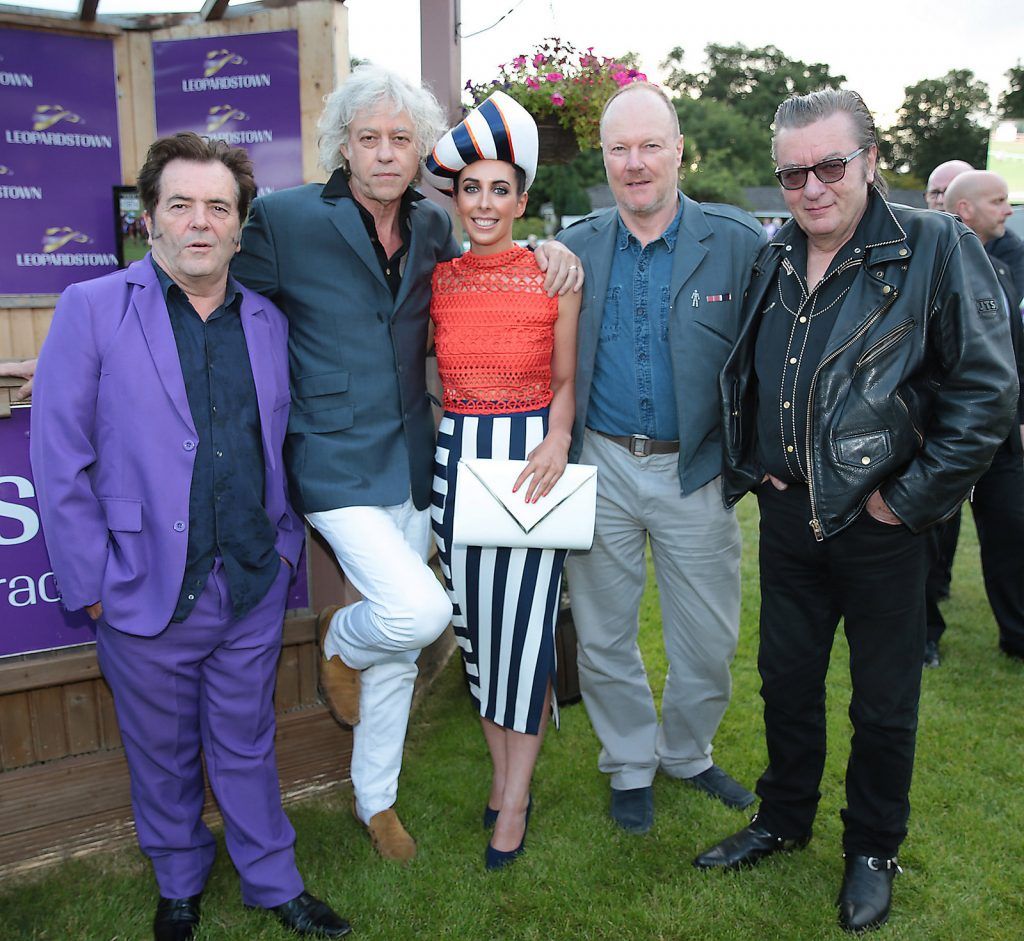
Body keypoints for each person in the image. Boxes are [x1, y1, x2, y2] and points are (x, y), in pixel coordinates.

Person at [231, 66, 582, 862]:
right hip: (328, 458)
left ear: (421, 149)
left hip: (422, 459)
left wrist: (557, 254)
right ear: (341, 145)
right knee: (417, 615)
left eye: (400, 139)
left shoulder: (432, 226)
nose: (385, 153)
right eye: (368, 138)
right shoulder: (283, 219)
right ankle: (337, 639)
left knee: (399, 654)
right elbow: (215, 299)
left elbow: (494, 275)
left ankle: (375, 800)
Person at [695, 90, 1017, 933]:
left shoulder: (936, 245)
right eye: (793, 171)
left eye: (831, 165)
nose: (812, 186)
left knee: (883, 701)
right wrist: (756, 464)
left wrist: (908, 501)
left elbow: (987, 392)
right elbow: (754, 373)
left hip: (883, 525)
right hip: (788, 516)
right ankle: (782, 817)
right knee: (786, 684)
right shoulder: (774, 255)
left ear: (870, 160)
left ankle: (873, 847)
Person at [30, 133, 349, 941]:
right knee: (162, 753)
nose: (200, 223)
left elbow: (276, 441)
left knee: (247, 743)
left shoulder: (270, 322)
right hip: (141, 585)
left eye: (219, 207)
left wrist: (280, 556)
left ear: (241, 227)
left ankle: (273, 882)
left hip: (248, 580)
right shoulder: (92, 309)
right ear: (150, 221)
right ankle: (178, 882)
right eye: (181, 205)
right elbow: (59, 457)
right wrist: (92, 582)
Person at [556, 82, 765, 835]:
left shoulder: (739, 243)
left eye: (650, 145)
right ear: (604, 157)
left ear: (680, 149)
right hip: (603, 462)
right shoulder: (573, 247)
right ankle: (630, 763)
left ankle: (686, 751)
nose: (635, 163)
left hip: (697, 468)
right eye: (620, 149)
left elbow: (773, 356)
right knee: (605, 633)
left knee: (707, 639)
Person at [423, 92, 582, 870]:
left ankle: (515, 800)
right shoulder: (440, 281)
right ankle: (501, 774)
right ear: (455, 199)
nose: (483, 204)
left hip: (528, 462)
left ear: (522, 199)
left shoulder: (555, 275)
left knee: (524, 634)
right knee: (478, 635)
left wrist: (557, 436)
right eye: (470, 189)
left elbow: (566, 380)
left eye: (499, 190)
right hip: (459, 461)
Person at [940, 171, 1024, 661]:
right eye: (998, 201)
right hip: (944, 435)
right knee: (932, 540)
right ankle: (926, 635)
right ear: (966, 210)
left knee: (1012, 534)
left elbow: (1014, 355)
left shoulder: (1008, 270)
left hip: (1002, 438)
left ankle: (1016, 635)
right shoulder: (928, 266)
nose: (1009, 210)